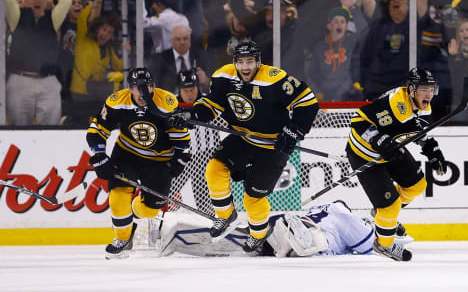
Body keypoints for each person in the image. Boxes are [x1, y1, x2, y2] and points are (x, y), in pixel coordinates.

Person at [169, 40, 319, 252]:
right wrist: (191, 115)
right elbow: (212, 104)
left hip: (272, 145)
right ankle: (225, 215)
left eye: (250, 61)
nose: (245, 67)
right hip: (243, 138)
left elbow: (308, 101)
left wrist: (294, 130)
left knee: (253, 198)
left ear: (258, 62)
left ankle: (259, 233)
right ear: (235, 63)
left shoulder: (274, 78)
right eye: (241, 62)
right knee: (213, 169)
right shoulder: (223, 76)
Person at [86, 68, 190, 259]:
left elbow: (181, 137)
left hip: (159, 160)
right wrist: (100, 155)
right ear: (130, 88)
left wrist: (180, 158)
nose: (142, 92)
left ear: (153, 86)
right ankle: (123, 240)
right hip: (127, 154)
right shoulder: (117, 101)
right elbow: (98, 129)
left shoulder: (166, 102)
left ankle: (134, 211)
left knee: (151, 210)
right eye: (137, 87)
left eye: (147, 86)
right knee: (118, 195)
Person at [346, 67, 446, 261]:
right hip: (365, 153)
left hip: (390, 150)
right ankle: (383, 245)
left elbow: (417, 131)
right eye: (424, 90)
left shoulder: (424, 107)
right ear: (411, 90)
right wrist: (378, 139)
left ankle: (380, 214)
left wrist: (432, 150)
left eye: (431, 89)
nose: (429, 94)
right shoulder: (394, 104)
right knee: (390, 206)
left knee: (418, 185)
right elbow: (358, 121)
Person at [159, 200, 386, 258]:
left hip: (278, 224)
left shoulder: (323, 209)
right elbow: (372, 247)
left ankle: (173, 232)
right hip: (311, 237)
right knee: (319, 241)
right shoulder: (344, 215)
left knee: (234, 242)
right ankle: (299, 241)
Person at [5, 0, 71, 125]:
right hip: (20, 80)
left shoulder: (53, 19)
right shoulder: (16, 19)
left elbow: (66, 1)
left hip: (48, 81)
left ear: (46, 1)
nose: (37, 0)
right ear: (26, 2)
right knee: (17, 131)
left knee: (51, 130)